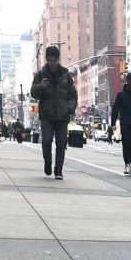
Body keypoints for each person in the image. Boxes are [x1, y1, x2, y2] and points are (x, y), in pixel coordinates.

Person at [31, 46, 78, 180]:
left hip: (62, 116)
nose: (52, 63)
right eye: (50, 60)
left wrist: (69, 108)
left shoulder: (66, 75)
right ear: (46, 59)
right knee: (46, 140)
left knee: (61, 143)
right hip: (47, 114)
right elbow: (34, 93)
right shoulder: (40, 75)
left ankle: (58, 169)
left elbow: (73, 95)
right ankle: (48, 161)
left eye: (55, 60)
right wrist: (41, 86)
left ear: (58, 60)